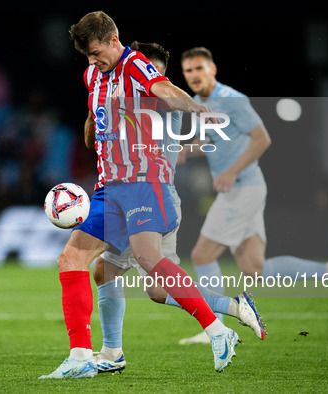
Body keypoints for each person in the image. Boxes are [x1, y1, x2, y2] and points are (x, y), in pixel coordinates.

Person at [39, 12, 239, 379]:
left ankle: (218, 330)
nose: (92, 60)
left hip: (145, 182)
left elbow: (164, 89)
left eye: (97, 52)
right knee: (70, 261)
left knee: (150, 263)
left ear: (114, 39)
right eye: (87, 55)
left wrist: (197, 108)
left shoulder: (135, 64)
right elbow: (95, 122)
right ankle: (82, 357)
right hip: (107, 188)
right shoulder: (92, 75)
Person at [90, 41, 265, 374]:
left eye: (151, 73)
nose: (146, 78)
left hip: (148, 197)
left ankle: (113, 353)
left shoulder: (154, 102)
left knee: (106, 269)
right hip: (155, 196)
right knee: (157, 288)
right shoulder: (139, 100)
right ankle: (232, 306)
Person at [177, 47, 328, 345]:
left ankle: (216, 326)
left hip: (241, 188)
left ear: (213, 69)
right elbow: (213, 139)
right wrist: (189, 149)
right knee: (255, 269)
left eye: (199, 68)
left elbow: (262, 139)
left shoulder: (233, 100)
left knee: (201, 254)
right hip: (247, 188)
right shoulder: (200, 102)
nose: (193, 75)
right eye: (188, 71)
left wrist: (232, 171)